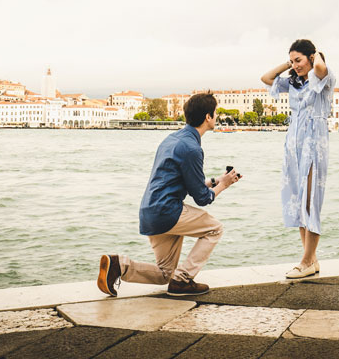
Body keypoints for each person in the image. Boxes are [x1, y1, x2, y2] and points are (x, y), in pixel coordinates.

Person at [97, 92, 241, 296]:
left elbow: (186, 184)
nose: (216, 117)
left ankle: (119, 266)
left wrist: (217, 180)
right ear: (208, 117)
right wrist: (224, 185)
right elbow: (202, 198)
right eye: (215, 113)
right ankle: (183, 280)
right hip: (168, 211)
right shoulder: (192, 148)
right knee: (215, 229)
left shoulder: (172, 139)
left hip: (150, 211)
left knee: (165, 274)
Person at [260, 39, 335, 278]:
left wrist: (317, 56)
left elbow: (320, 69)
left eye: (299, 59)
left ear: (311, 57)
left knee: (310, 200)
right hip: (293, 146)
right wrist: (289, 65)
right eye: (293, 60)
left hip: (314, 145)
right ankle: (310, 259)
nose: (296, 65)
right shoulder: (293, 82)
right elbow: (266, 78)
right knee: (297, 201)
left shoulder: (323, 79)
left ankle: (305, 261)